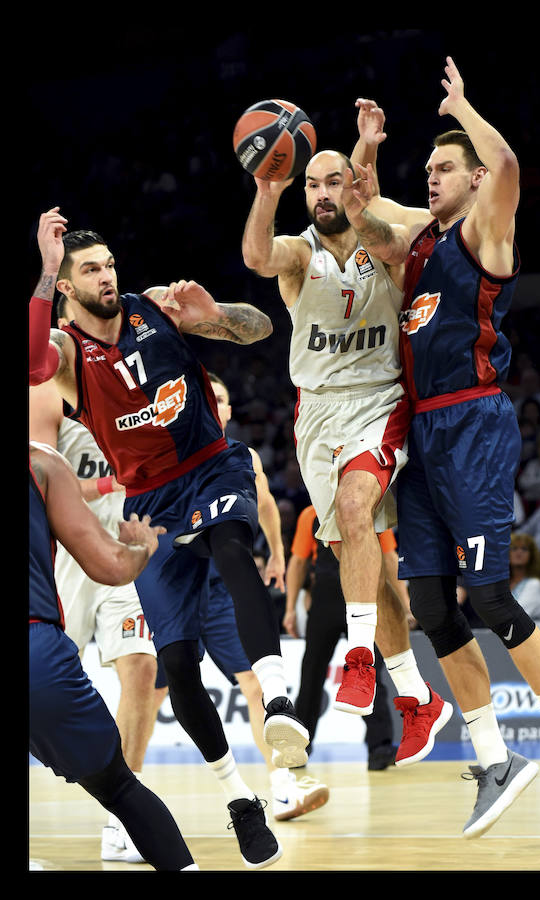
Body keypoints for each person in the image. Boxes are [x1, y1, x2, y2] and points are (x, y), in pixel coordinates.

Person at [348, 57, 540, 836]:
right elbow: (368, 221)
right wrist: (361, 162)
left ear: (468, 180)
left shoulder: (483, 235)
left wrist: (463, 108)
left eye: (442, 169)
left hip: (473, 421)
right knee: (429, 603)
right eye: (425, 168)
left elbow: (506, 164)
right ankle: (494, 756)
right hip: (422, 428)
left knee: (490, 596)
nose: (431, 178)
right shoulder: (422, 246)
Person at [29, 208, 298, 869]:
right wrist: (41, 267)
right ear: (67, 287)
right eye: (91, 269)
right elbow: (32, 358)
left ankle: (280, 700)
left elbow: (258, 327)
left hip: (210, 465)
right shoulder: (66, 353)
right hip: (149, 502)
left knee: (234, 549)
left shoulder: (157, 308)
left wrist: (218, 312)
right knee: (175, 667)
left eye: (110, 264)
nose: (107, 276)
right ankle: (238, 799)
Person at [241, 146, 452, 767]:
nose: (323, 192)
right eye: (313, 184)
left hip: (377, 400)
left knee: (358, 509)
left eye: (335, 180)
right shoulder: (300, 253)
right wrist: (267, 188)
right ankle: (416, 698)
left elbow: (401, 230)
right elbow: (257, 256)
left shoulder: (383, 247)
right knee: (360, 561)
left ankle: (358, 657)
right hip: (315, 413)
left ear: (352, 186)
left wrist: (370, 167)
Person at [151, 368, 329, 824]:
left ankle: (283, 788)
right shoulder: (165, 449)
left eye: (223, 398)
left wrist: (274, 552)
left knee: (254, 687)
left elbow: (266, 502)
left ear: (229, 410)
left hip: (220, 588)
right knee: (148, 695)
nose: (216, 404)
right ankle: (124, 802)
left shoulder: (241, 456)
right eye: (207, 396)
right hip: (170, 586)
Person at [30, 298, 161, 864]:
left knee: (142, 667)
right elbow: (43, 476)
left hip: (121, 550)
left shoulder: (130, 375)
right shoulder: (49, 383)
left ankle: (121, 815)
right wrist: (111, 487)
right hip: (68, 551)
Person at [29, 440, 198, 871]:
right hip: (36, 647)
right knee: (120, 788)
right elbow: (112, 566)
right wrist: (143, 546)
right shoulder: (41, 461)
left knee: (141, 667)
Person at [284, 504, 399, 771]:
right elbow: (389, 557)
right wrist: (402, 603)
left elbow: (299, 561)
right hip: (357, 594)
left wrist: (291, 608)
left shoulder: (313, 512)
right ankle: (379, 749)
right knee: (363, 671)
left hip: (333, 595)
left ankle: (303, 747)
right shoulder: (368, 508)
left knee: (314, 673)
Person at [508, 533, 540, 630]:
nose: (519, 553)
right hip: (513, 634)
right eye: (514, 548)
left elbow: (518, 615)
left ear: (532, 555)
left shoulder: (535, 584)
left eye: (524, 549)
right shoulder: (504, 584)